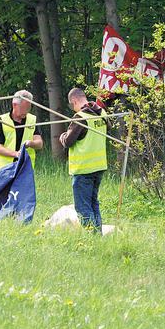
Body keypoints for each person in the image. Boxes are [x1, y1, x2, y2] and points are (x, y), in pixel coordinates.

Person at [59, 87, 108, 233]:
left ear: (74, 100)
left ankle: (92, 236)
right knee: (93, 203)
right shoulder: (101, 113)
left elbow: (68, 142)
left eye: (71, 105)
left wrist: (62, 136)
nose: (73, 108)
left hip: (84, 169)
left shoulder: (80, 117)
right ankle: (97, 234)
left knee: (82, 207)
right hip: (99, 166)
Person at [0, 90, 43, 169]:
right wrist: (16, 154)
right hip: (2, 168)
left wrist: (30, 143)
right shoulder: (2, 120)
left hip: (24, 168)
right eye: (23, 108)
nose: (26, 111)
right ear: (14, 105)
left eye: (28, 108)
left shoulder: (32, 120)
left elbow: (39, 144)